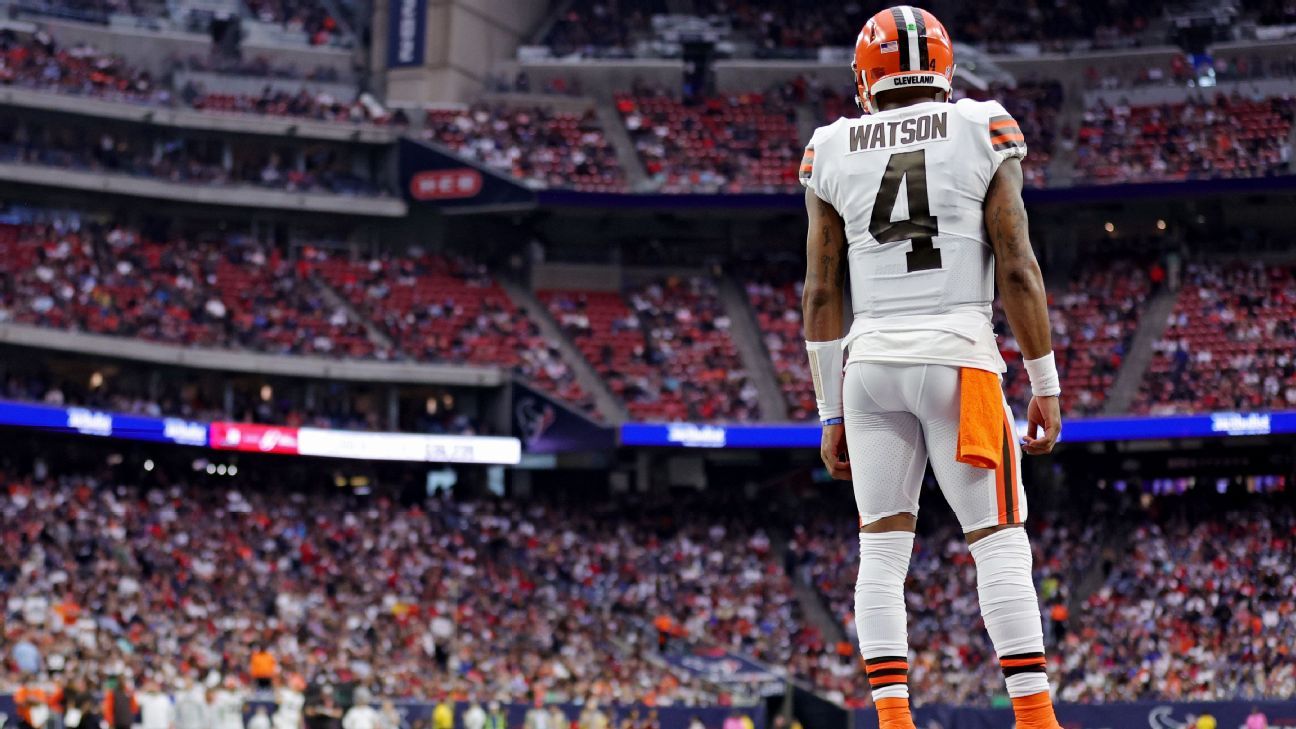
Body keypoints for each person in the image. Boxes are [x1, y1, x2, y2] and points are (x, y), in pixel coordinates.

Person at [800, 7, 1063, 729]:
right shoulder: (982, 125)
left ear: (866, 77)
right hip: (959, 357)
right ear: (943, 69)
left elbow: (822, 289)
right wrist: (1045, 383)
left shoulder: (828, 146)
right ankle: (1037, 719)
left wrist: (828, 409)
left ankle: (893, 720)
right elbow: (1017, 262)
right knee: (999, 541)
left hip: (869, 365)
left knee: (880, 553)